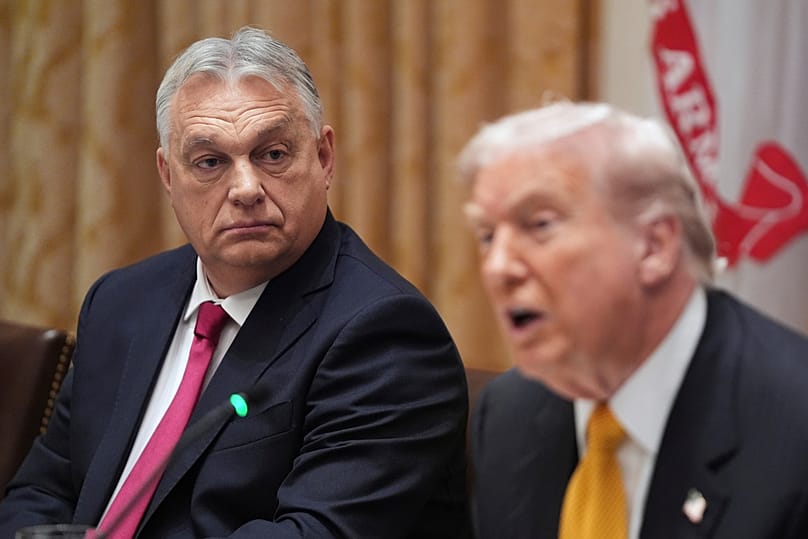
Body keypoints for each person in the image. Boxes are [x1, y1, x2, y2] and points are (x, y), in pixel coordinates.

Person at [0, 26, 469, 538]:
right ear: (167, 176)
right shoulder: (120, 302)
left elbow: (314, 533)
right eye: (209, 162)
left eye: (273, 155)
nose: (245, 189)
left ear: (324, 157)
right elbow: (42, 493)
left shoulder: (385, 334)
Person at [458, 101, 808, 538]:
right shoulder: (509, 415)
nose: (497, 266)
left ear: (654, 246)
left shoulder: (794, 426)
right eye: (488, 235)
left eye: (540, 224)